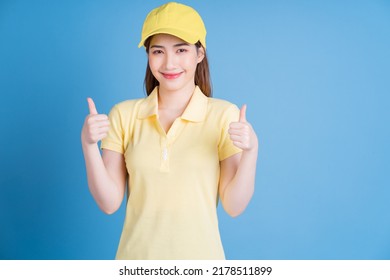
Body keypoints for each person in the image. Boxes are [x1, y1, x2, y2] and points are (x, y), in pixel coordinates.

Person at [81, 2, 258, 260]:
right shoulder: (124, 115)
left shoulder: (223, 115)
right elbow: (109, 204)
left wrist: (252, 151)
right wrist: (88, 146)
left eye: (181, 49)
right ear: (148, 56)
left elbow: (234, 206)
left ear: (200, 53)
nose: (169, 63)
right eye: (158, 51)